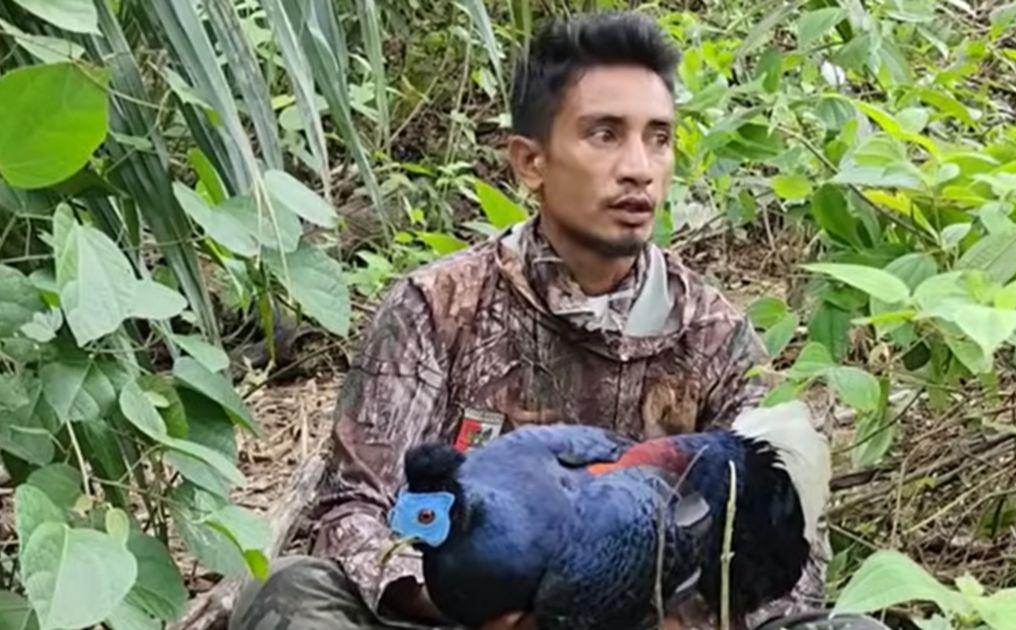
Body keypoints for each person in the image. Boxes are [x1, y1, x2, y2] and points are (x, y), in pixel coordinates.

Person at [229, 10, 836, 630]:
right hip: (459, 623)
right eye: (605, 134)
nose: (639, 167)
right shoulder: (435, 307)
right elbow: (353, 508)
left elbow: (791, 538)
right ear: (530, 162)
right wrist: (452, 602)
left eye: (659, 137)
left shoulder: (713, 332)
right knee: (290, 590)